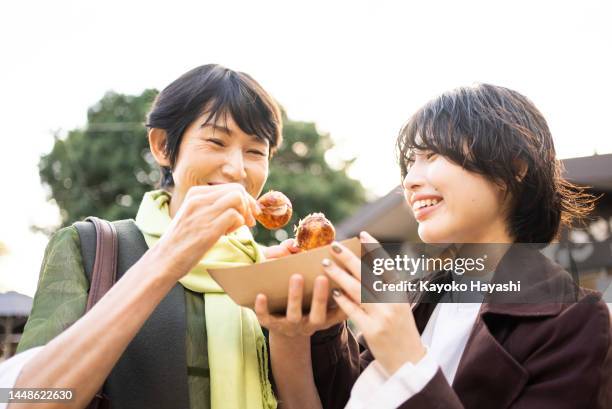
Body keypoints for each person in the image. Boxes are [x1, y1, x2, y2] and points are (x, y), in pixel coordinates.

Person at [2, 64, 340, 409]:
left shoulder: (270, 275)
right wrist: (171, 255)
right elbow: (25, 401)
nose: (238, 168)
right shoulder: (89, 247)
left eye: (255, 151)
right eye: (216, 141)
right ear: (163, 146)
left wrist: (288, 332)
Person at [256, 84, 612, 408]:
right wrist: (316, 321)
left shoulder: (576, 322)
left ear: (514, 168)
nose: (410, 181)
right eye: (411, 162)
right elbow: (341, 399)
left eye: (432, 155)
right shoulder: (423, 299)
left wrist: (406, 356)